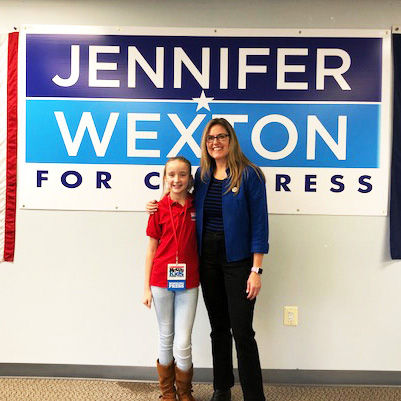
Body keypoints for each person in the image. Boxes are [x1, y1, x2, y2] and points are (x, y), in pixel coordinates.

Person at [147, 118, 268, 401]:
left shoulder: (250, 175)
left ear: (231, 140)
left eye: (222, 136)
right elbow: (177, 194)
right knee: (218, 330)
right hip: (207, 262)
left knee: (243, 332)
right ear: (205, 143)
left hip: (239, 263)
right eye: (211, 138)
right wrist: (154, 202)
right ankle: (221, 388)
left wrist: (256, 269)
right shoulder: (201, 176)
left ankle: (254, 396)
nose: (216, 142)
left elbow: (260, 225)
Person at [143, 156, 199, 401]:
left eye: (182, 174)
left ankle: (184, 393)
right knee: (166, 336)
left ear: (190, 178)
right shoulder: (158, 209)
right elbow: (150, 250)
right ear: (165, 178)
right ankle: (167, 393)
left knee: (183, 341)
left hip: (189, 283)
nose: (177, 180)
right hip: (160, 282)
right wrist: (146, 288)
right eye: (172, 175)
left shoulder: (199, 205)